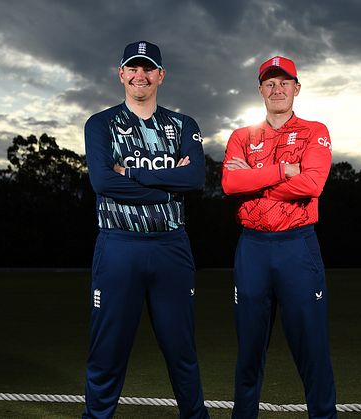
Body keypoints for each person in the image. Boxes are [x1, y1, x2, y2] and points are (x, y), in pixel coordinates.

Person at [82, 40, 210, 419]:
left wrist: (135, 173)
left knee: (181, 349)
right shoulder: (101, 123)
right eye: (133, 68)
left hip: (171, 247)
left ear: (161, 75)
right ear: (121, 74)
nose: (141, 75)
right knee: (107, 351)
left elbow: (196, 178)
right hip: (118, 246)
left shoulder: (183, 125)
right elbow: (104, 182)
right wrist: (169, 183)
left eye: (148, 69)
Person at [221, 56, 338, 419]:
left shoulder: (314, 130)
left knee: (312, 349)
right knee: (250, 351)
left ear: (296, 88)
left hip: (297, 246)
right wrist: (285, 170)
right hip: (253, 249)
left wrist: (256, 184)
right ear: (260, 90)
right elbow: (229, 183)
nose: (277, 89)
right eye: (269, 83)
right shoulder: (242, 136)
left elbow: (313, 183)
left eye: (284, 82)